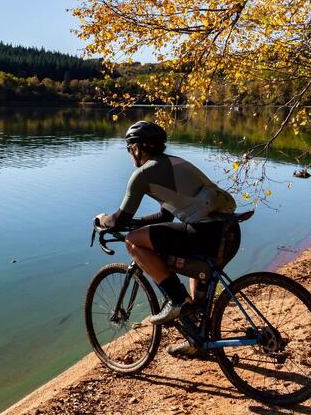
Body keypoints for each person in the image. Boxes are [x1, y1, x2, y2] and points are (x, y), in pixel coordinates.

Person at [95, 120, 239, 358]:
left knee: (132, 241)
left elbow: (118, 221)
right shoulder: (175, 163)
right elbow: (165, 214)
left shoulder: (143, 174)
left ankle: (176, 299)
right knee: (199, 276)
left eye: (130, 147)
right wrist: (140, 222)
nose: (131, 153)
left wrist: (101, 220)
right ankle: (199, 341)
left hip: (206, 235)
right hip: (229, 232)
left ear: (138, 147)